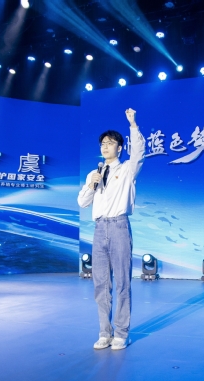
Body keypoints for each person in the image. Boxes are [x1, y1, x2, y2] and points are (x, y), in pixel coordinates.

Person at [77, 108, 145, 351]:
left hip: (118, 227)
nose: (105, 147)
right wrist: (91, 186)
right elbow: (82, 202)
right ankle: (104, 332)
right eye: (103, 144)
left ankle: (122, 333)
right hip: (99, 229)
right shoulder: (93, 174)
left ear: (120, 148)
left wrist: (133, 124)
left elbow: (139, 153)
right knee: (100, 283)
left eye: (110, 143)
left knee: (122, 282)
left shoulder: (127, 170)